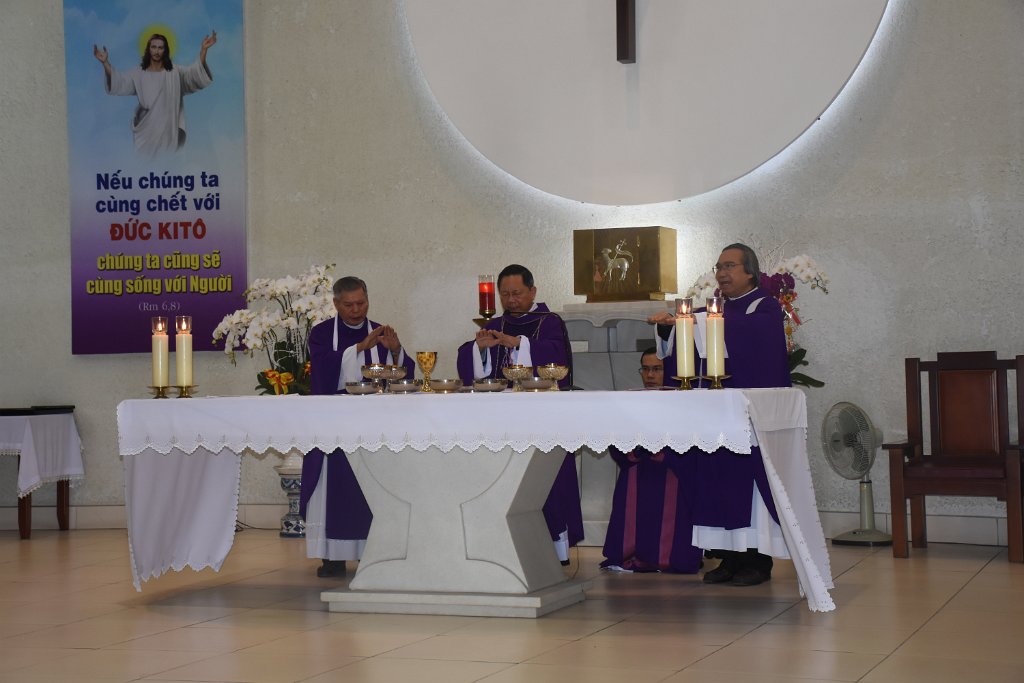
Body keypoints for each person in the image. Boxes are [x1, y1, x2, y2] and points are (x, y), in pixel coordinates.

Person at [649, 243, 791, 586]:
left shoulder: (764, 307)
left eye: (729, 266)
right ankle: (728, 557)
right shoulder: (713, 310)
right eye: (719, 267)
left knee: (748, 486)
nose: (722, 273)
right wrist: (672, 327)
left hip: (748, 415)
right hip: (715, 416)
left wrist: (700, 321)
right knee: (715, 482)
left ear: (750, 272)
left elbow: (754, 339)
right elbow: (687, 343)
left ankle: (757, 561)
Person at [456, 264, 584, 564]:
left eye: (517, 293)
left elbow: (557, 357)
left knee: (546, 483)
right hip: (502, 421)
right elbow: (471, 364)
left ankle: (554, 550)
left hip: (543, 419)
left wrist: (518, 343)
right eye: (505, 295)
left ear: (532, 291)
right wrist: (480, 349)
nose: (511, 300)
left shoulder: (549, 321)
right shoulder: (496, 323)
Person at [300, 276, 415, 577]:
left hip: (374, 424)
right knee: (335, 489)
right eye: (348, 305)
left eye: (361, 303)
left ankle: (372, 552)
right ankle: (332, 557)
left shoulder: (380, 332)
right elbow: (322, 373)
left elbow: (404, 377)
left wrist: (396, 350)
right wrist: (360, 348)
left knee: (370, 486)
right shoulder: (322, 333)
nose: (356, 310)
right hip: (334, 423)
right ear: (336, 304)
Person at [600, 349, 703, 573]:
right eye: (645, 369)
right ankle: (629, 554)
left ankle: (669, 557)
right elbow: (615, 439)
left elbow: (692, 443)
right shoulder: (629, 401)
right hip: (637, 470)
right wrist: (635, 451)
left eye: (657, 369)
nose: (649, 375)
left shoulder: (683, 401)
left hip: (670, 472)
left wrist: (661, 451)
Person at [93, 31, 217, 156]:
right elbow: (119, 81)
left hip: (169, 132)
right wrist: (105, 63)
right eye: (154, 47)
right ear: (148, 49)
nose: (157, 51)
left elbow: (193, 75)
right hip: (146, 131)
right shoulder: (138, 73)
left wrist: (203, 50)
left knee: (167, 161)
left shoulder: (175, 72)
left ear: (165, 50)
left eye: (160, 48)